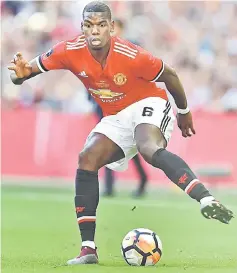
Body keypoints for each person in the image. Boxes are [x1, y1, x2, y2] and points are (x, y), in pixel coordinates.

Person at [8, 1, 233, 266]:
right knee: (87, 157)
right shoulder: (67, 51)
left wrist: (184, 111)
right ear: (82, 28)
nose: (95, 31)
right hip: (116, 115)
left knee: (148, 148)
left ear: (111, 28)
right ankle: (88, 249)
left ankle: (205, 199)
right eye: (89, 25)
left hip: (149, 103)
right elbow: (26, 71)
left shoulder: (131, 54)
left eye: (101, 25)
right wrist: (20, 76)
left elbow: (170, 75)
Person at [89, 17, 148, 197]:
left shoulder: (131, 49)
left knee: (126, 143)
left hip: (125, 104)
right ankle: (109, 185)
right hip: (104, 103)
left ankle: (141, 179)